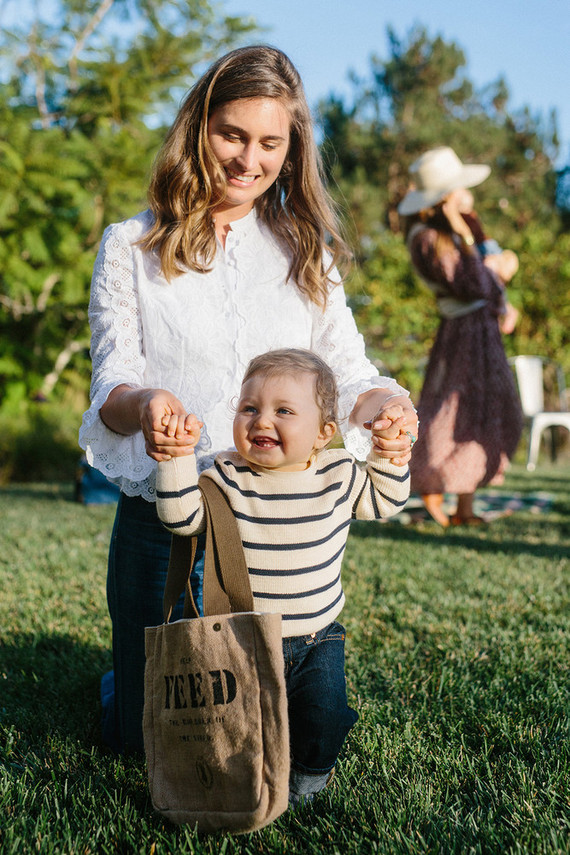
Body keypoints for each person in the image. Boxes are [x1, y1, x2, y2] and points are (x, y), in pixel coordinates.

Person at [79, 45, 418, 755]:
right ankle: (121, 684)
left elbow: (348, 372)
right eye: (231, 134)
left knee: (262, 734)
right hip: (167, 518)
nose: (247, 160)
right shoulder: (130, 245)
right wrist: (147, 404)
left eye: (270, 142)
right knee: (143, 740)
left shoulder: (305, 249)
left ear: (292, 149)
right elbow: (111, 387)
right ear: (198, 127)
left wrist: (385, 402)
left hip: (273, 529)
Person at [155, 348, 411, 805]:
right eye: (249, 408)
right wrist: (175, 458)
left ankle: (309, 780)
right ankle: (254, 774)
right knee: (239, 721)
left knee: (323, 715)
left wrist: (389, 455)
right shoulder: (227, 474)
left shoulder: (339, 475)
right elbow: (181, 518)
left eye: (284, 411)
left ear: (323, 433)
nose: (261, 420)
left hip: (317, 637)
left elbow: (384, 500)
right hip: (243, 637)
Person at [397, 146, 523, 528]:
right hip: (465, 336)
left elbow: (485, 284)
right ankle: (431, 483)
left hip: (481, 334)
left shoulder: (454, 232)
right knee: (452, 413)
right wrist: (492, 266)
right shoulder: (429, 238)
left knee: (485, 413)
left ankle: (464, 505)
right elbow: (474, 283)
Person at [456, 188, 520, 335]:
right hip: (487, 252)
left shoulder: (467, 219)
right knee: (495, 290)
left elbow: (479, 245)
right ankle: (504, 313)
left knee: (496, 287)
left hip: (487, 251)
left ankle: (506, 312)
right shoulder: (469, 218)